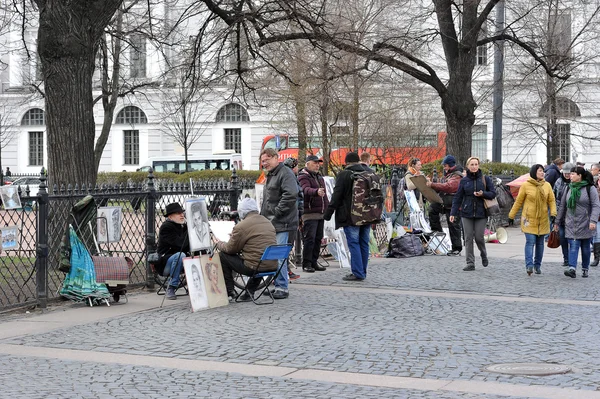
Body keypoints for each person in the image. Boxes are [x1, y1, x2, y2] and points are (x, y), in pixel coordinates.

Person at [216, 197, 277, 300]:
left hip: (255, 267)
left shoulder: (241, 226)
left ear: (242, 211)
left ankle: (230, 291)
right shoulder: (267, 222)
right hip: (272, 265)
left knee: (223, 256)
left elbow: (230, 249)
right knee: (259, 259)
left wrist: (218, 243)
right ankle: (249, 292)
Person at [324, 152, 371, 281]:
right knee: (363, 243)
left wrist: (328, 214)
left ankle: (357, 272)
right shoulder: (368, 173)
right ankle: (363, 271)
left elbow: (336, 196)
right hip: (367, 215)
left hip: (350, 216)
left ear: (347, 162)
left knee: (354, 243)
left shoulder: (344, 175)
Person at [259, 148, 299, 299]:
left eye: (267, 160)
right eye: (263, 161)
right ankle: (278, 284)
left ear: (276, 158)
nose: (264, 163)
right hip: (274, 221)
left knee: (280, 255)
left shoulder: (285, 173)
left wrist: (276, 213)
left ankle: (282, 287)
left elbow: (291, 195)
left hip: (283, 222)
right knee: (274, 254)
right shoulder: (272, 174)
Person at [508, 164, 557, 275]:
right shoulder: (526, 185)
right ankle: (529, 265)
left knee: (540, 244)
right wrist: (511, 215)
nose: (542, 173)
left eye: (543, 171)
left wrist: (553, 213)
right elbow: (519, 202)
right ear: (534, 172)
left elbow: (551, 201)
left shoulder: (547, 185)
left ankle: (537, 265)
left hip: (543, 219)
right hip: (529, 219)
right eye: (540, 171)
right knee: (530, 242)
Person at [450, 156, 496, 271]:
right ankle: (470, 262)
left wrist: (483, 194)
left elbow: (493, 193)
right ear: (468, 166)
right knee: (468, 238)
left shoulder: (485, 179)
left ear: (478, 166)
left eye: (476, 164)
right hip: (466, 212)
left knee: (479, 237)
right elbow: (458, 197)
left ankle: (483, 253)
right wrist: (453, 213)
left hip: (481, 212)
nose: (474, 167)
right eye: (472, 165)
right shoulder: (464, 181)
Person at [555, 166, 600, 278]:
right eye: (570, 174)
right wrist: (557, 221)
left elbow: (596, 205)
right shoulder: (568, 188)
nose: (570, 176)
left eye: (573, 174)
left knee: (585, 248)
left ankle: (585, 268)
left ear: (580, 176)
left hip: (586, 223)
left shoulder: (590, 188)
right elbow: (562, 206)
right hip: (571, 223)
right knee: (573, 245)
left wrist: (593, 220)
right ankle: (572, 268)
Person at [426, 154, 463, 256]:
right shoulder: (450, 174)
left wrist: (433, 185)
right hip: (447, 203)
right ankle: (436, 230)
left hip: (454, 205)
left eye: (445, 165)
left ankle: (456, 248)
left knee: (454, 226)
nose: (444, 168)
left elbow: (449, 187)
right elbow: (444, 185)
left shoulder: (457, 175)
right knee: (432, 208)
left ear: (450, 165)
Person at [298, 155, 329, 273]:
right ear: (307, 164)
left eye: (318, 163)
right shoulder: (303, 176)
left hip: (320, 213)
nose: (317, 165)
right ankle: (306, 263)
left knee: (318, 239)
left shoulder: (319, 177)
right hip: (309, 213)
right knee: (309, 239)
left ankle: (314, 261)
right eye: (315, 163)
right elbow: (305, 190)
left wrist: (327, 208)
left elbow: (324, 195)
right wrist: (316, 192)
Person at [156, 202, 190, 299]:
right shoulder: (166, 227)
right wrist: (189, 230)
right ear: (170, 217)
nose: (182, 215)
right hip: (165, 263)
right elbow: (179, 244)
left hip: (180, 261)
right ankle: (172, 286)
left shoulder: (181, 226)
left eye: (182, 212)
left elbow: (187, 245)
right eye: (178, 213)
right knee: (180, 255)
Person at [283, 157, 303, 281]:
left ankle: (286, 269)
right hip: (290, 217)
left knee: (286, 246)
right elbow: (299, 198)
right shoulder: (292, 179)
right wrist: (300, 215)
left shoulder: (284, 177)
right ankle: (285, 270)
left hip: (289, 217)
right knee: (286, 246)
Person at [553, 162, 574, 266]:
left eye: (568, 173)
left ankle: (571, 259)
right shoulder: (558, 182)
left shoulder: (574, 182)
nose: (567, 175)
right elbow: (554, 196)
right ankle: (566, 258)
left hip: (571, 215)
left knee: (571, 239)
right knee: (562, 238)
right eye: (565, 173)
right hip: (560, 214)